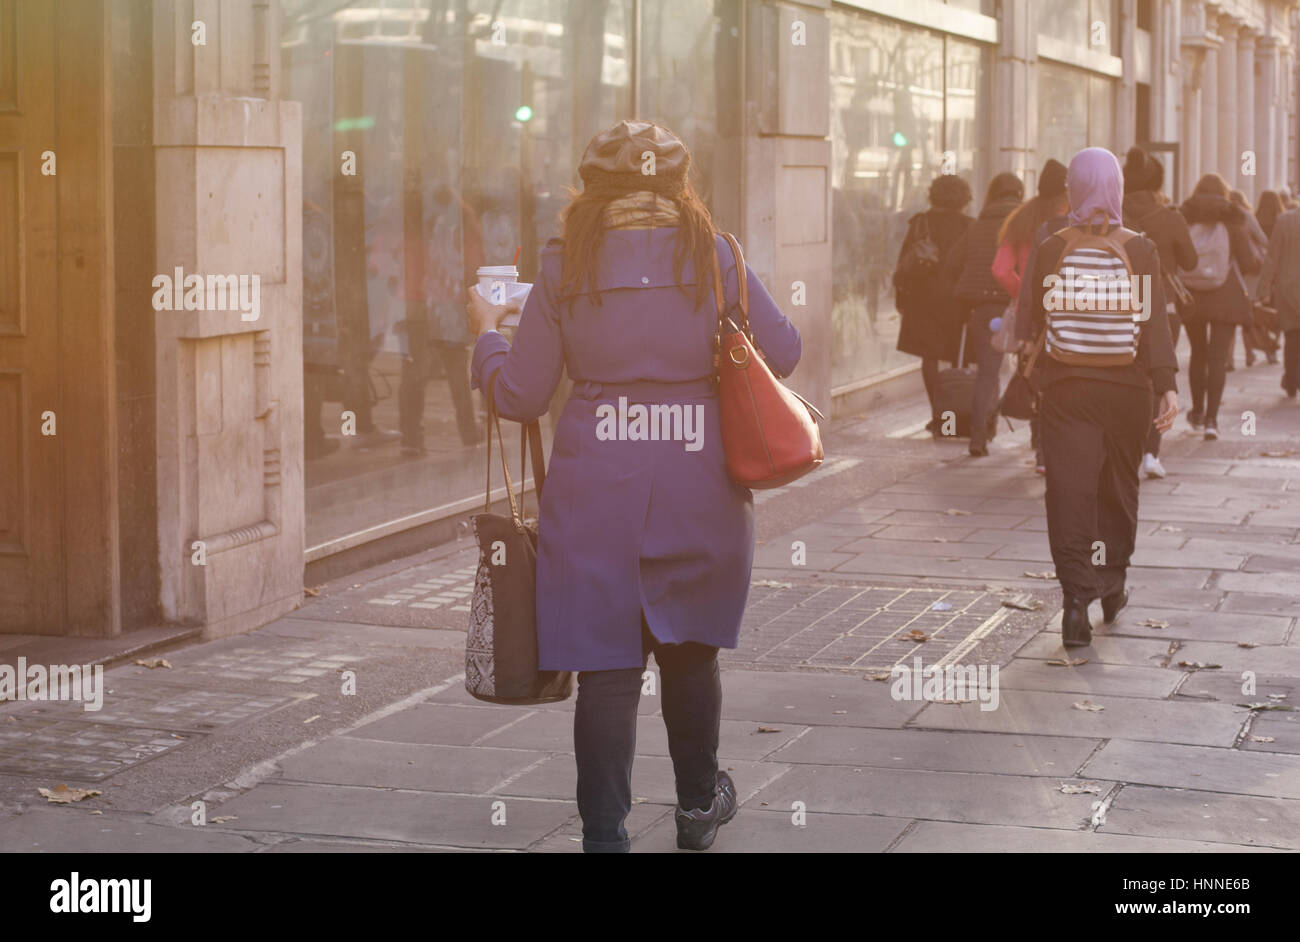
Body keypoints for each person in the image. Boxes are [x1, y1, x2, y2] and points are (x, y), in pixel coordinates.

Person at [463, 120, 802, 853]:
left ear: (590, 192)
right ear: (679, 189)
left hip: (595, 489)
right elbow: (787, 351)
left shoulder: (563, 267)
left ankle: (605, 837)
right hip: (699, 483)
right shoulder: (716, 259)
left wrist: (488, 336)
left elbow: (520, 395)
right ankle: (695, 806)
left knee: (607, 669)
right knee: (690, 650)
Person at [1017, 147, 1179, 648]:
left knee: (1068, 489)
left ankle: (1073, 604)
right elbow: (1154, 323)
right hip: (1129, 390)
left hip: (1067, 388)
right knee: (1117, 486)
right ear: (1118, 189)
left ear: (1072, 190)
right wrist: (1167, 383)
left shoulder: (1051, 246)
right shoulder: (1142, 248)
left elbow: (1031, 322)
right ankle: (1112, 586)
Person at [1121, 147, 1198, 478]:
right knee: (1156, 378)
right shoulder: (1170, 216)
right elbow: (1191, 261)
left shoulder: (1115, 214)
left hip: (1119, 307)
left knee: (1122, 376)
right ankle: (1150, 453)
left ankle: (1125, 446)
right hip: (1162, 307)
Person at [992, 159, 1068, 473]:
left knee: (1035, 377)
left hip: (1030, 317)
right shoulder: (1067, 221)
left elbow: (999, 269)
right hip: (1064, 312)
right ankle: (1055, 446)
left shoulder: (1021, 219)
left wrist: (1022, 293)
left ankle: (1040, 450)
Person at [945, 172, 1025, 456]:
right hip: (1016, 307)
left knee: (987, 374)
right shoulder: (1022, 227)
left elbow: (953, 262)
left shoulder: (977, 226)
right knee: (1032, 370)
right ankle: (1040, 445)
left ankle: (978, 437)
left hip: (983, 310)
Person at [1179, 173, 1261, 439]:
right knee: (1217, 357)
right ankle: (1213, 420)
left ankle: (1198, 411)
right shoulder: (1233, 217)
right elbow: (1249, 263)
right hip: (1224, 295)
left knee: (1198, 353)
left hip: (1192, 295)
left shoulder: (1186, 213)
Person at [893, 174, 974, 435]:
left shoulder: (921, 222)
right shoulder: (970, 225)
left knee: (929, 358)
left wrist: (902, 299)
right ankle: (955, 416)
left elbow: (904, 263)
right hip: (957, 299)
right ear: (964, 198)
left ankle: (938, 416)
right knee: (955, 357)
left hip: (923, 297)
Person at [1256, 201, 1300, 398]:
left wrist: (1264, 288)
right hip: (1289, 288)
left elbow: (1272, 257)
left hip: (1288, 289)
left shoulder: (1285, 220)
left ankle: (1291, 379)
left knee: (1292, 336)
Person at [1225, 189, 1270, 370]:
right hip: (1248, 271)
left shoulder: (1220, 215)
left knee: (1228, 316)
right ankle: (1249, 352)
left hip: (1227, 270)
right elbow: (1263, 239)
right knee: (1247, 312)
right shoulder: (1245, 215)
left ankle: (1229, 358)